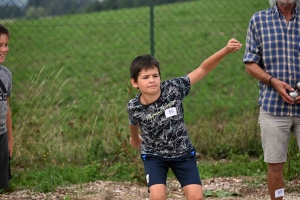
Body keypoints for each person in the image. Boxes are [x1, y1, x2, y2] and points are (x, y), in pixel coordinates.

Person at [127, 38, 242, 200]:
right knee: (157, 196)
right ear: (135, 83)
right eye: (145, 77)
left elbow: (202, 69)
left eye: (155, 75)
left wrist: (225, 50)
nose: (152, 80)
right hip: (154, 156)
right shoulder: (134, 106)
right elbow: (133, 123)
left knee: (196, 197)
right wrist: (134, 138)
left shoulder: (174, 89)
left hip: (182, 153)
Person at [243, 0, 300, 199]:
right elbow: (250, 64)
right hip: (272, 107)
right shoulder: (258, 20)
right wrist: (273, 81)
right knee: (275, 166)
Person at [0, 24, 13, 190]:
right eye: (0, 45)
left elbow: (6, 107)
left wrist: (10, 139)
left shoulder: (6, 75)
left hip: (2, 134)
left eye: (6, 44)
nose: (4, 49)